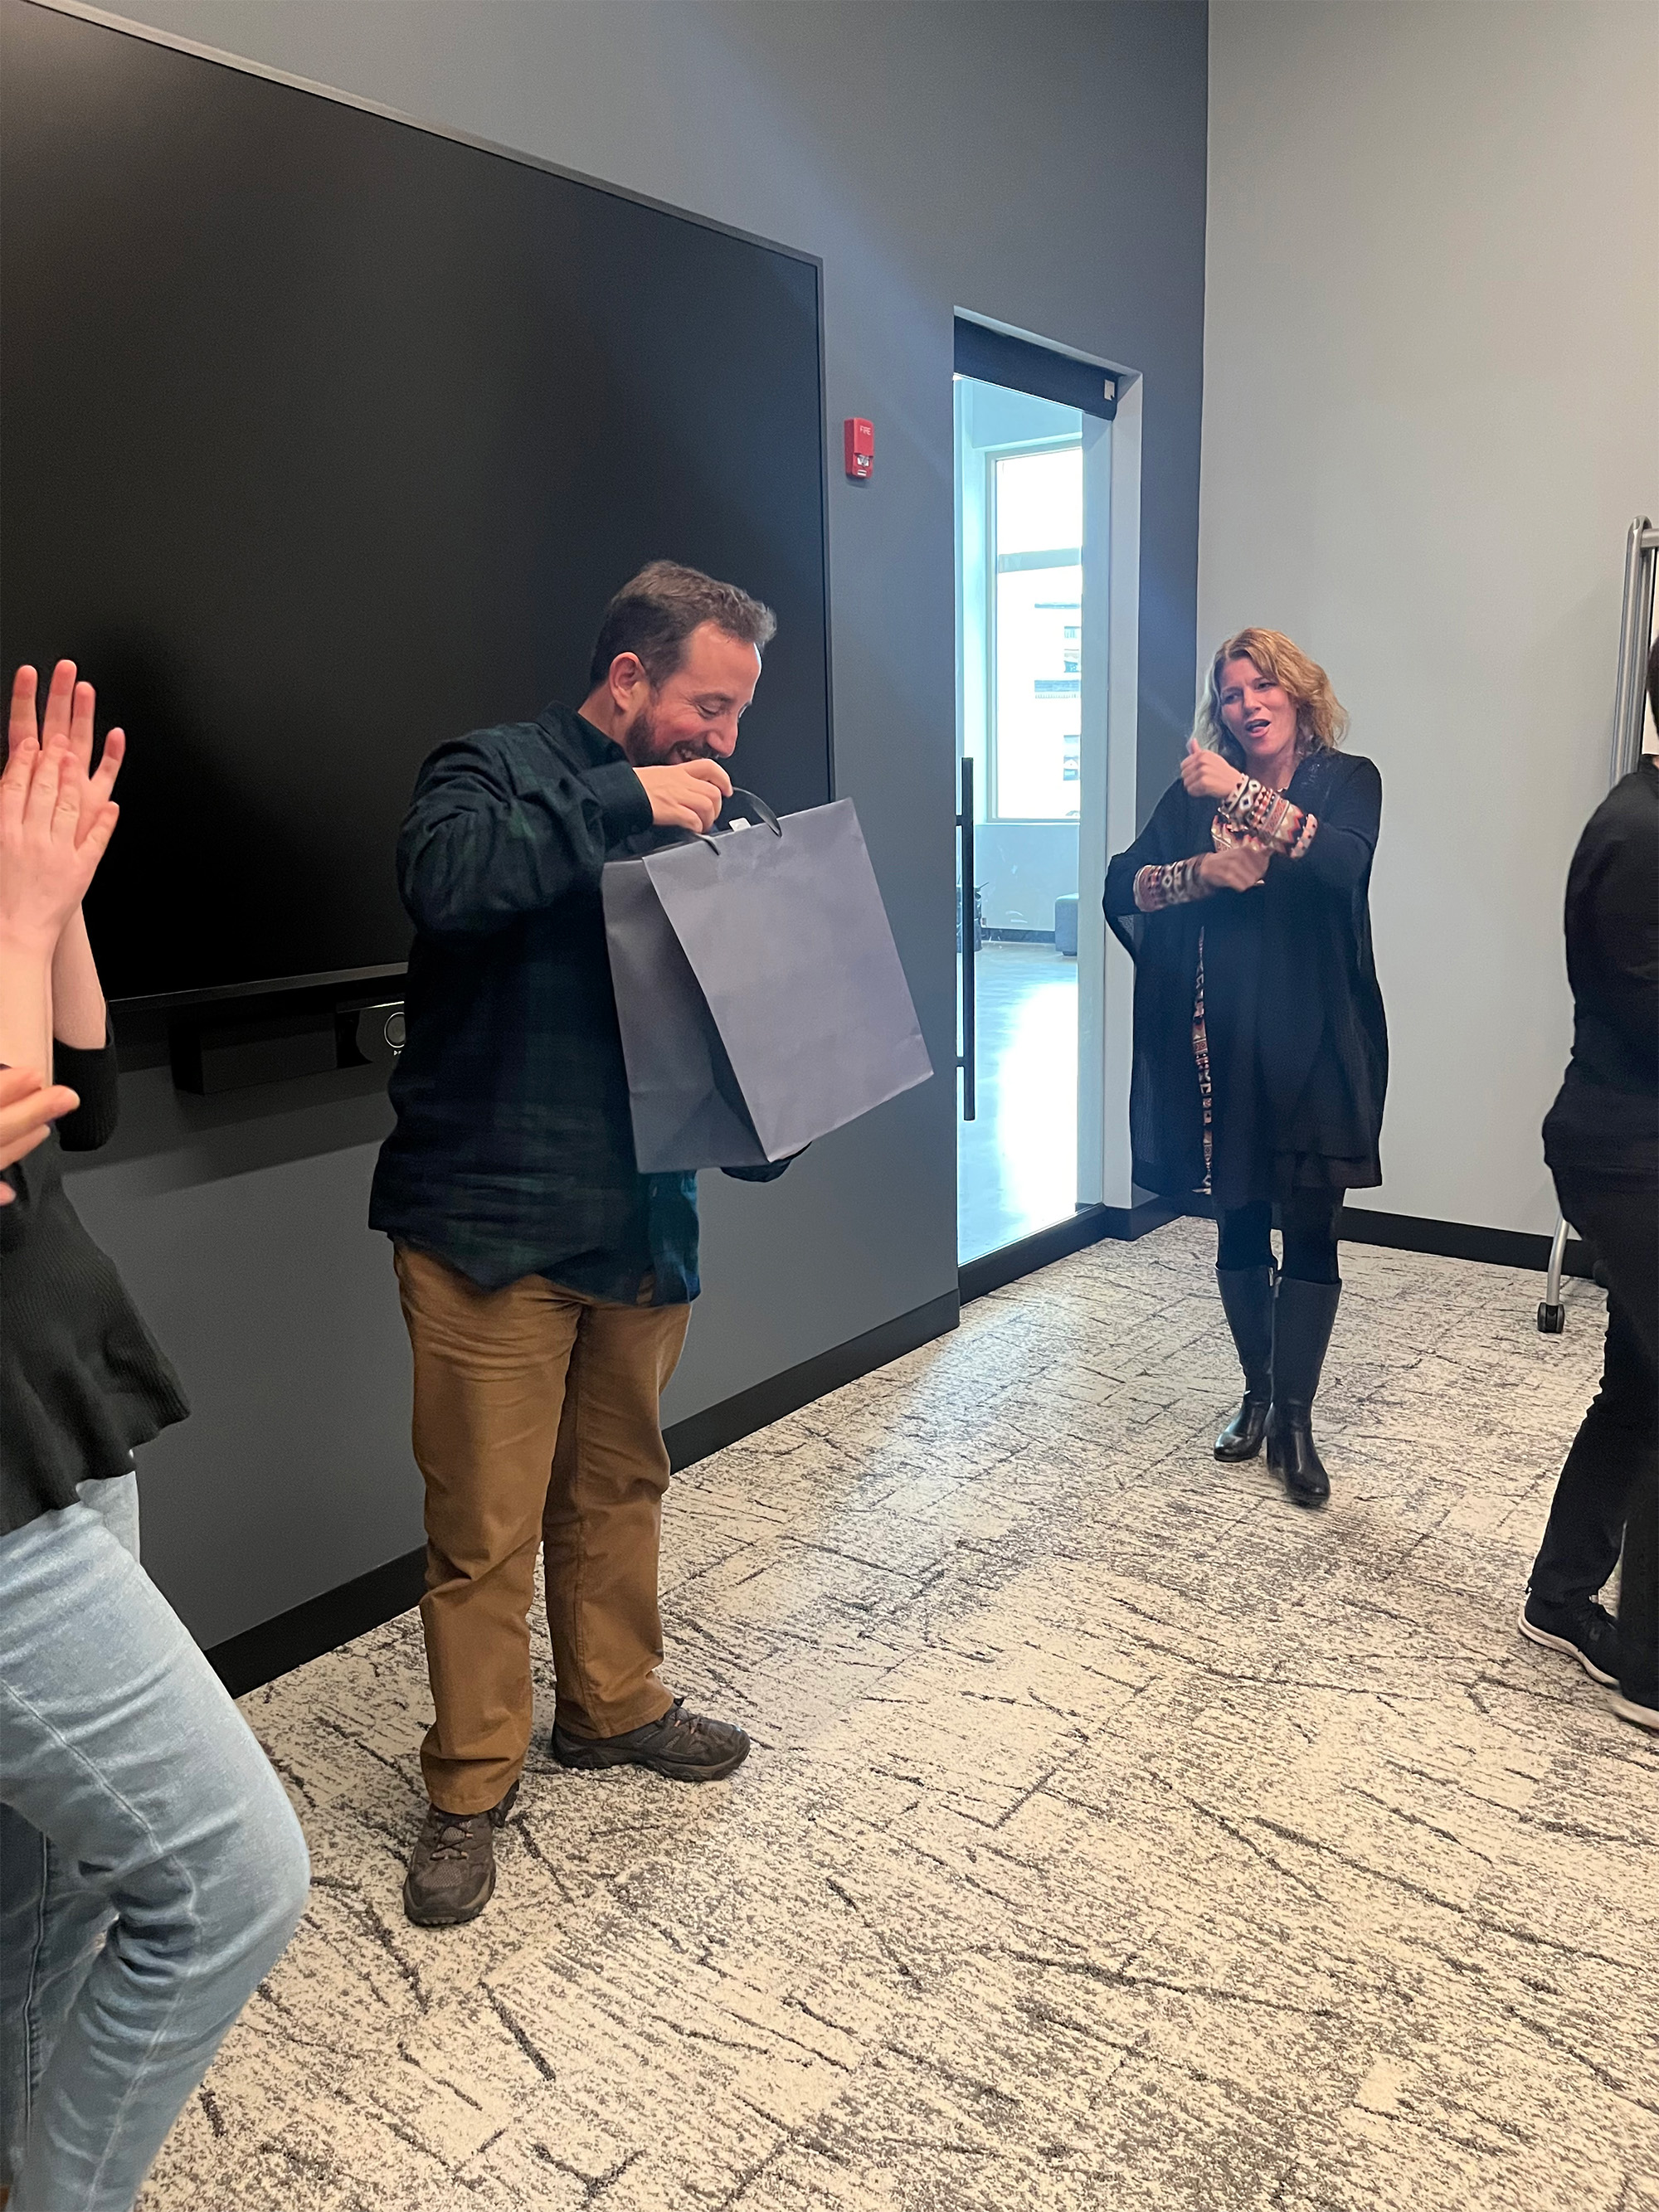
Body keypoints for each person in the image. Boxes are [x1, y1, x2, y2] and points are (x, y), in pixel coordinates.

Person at [371, 561, 795, 1928]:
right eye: (707, 707)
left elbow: (758, 1000)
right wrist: (628, 801)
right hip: (486, 1226)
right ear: (630, 680)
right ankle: (470, 1782)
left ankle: (612, 1707)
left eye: (737, 715)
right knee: (482, 1531)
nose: (724, 742)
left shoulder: (722, 812)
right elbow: (447, 882)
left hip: (642, 1223)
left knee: (621, 1488)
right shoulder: (489, 772)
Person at [0, 662, 310, 2211]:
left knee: (43, 1897)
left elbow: (79, 1096)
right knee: (230, 1881)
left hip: (59, 1412)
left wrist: (55, 894)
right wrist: (10, 908)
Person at [1104, 629, 1387, 1509]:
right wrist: (1201, 871)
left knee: (1309, 1230)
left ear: (1298, 692)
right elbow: (1124, 885)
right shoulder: (1190, 798)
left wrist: (1243, 796)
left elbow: (1342, 863)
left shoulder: (1348, 779)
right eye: (1229, 695)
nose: (1246, 705)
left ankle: (1295, 1423)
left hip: (1315, 1048)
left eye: (1262, 686)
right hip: (1216, 1052)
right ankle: (1257, 1397)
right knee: (1236, 1226)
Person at [1518, 633, 1658, 1731]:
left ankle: (1564, 1595)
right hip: (1624, 1153)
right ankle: (1647, 1661)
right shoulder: (1641, 830)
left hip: (1632, 1143)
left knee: (1640, 1385)